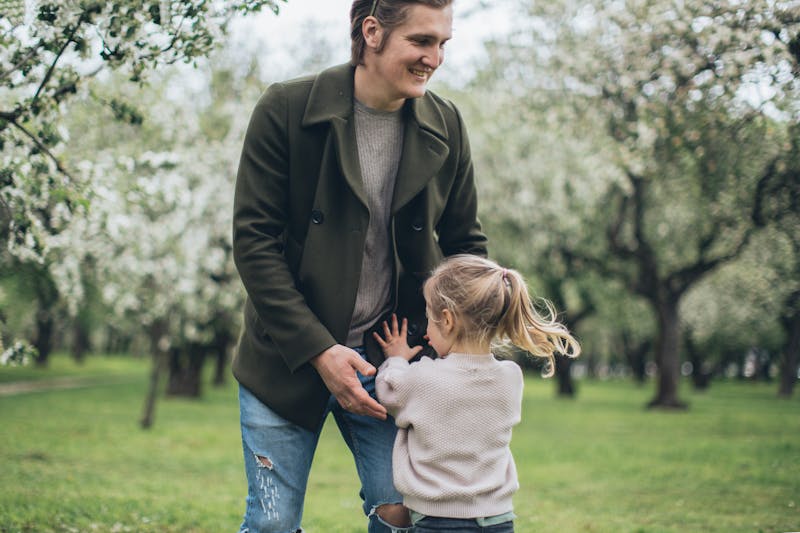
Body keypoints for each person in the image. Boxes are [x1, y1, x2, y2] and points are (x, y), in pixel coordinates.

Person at [231, 0, 488, 531]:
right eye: (421, 41)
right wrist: (320, 351)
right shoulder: (285, 107)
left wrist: (459, 341)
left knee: (403, 516)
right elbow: (254, 242)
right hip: (287, 357)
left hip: (390, 363)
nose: (434, 58)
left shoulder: (446, 124)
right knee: (272, 526)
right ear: (371, 32)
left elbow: (466, 246)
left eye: (443, 43)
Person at [373, 254, 581, 532]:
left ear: (447, 320)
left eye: (429, 320)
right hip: (499, 519)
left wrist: (397, 359)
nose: (427, 333)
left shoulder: (424, 378)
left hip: (438, 521)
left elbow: (389, 390)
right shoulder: (511, 377)